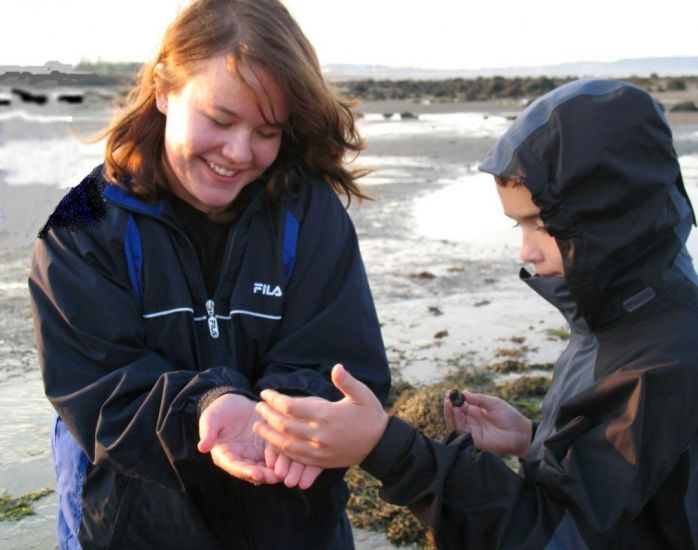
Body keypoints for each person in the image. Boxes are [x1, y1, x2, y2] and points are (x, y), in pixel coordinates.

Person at [253, 78, 698, 549]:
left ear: (613, 216)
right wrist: (534, 439)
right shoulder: (619, 322)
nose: (526, 251)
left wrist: (388, 448)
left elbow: (552, 536)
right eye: (518, 225)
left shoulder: (664, 363)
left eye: (542, 224)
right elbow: (621, 490)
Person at [28, 0, 390, 548]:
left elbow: (341, 359)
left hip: (293, 529)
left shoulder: (308, 211)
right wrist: (207, 406)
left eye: (267, 130)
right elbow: (97, 389)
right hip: (130, 531)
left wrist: (276, 424)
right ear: (163, 89)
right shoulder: (81, 224)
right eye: (220, 120)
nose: (238, 152)